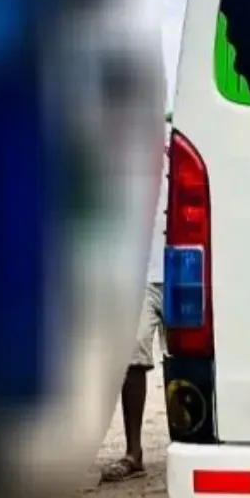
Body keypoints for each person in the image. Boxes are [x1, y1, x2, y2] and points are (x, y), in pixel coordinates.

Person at [102, 118, 170, 479]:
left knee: (191, 358)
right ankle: (134, 452)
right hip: (139, 273)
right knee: (132, 358)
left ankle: (196, 444)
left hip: (185, 269)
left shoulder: (181, 140)